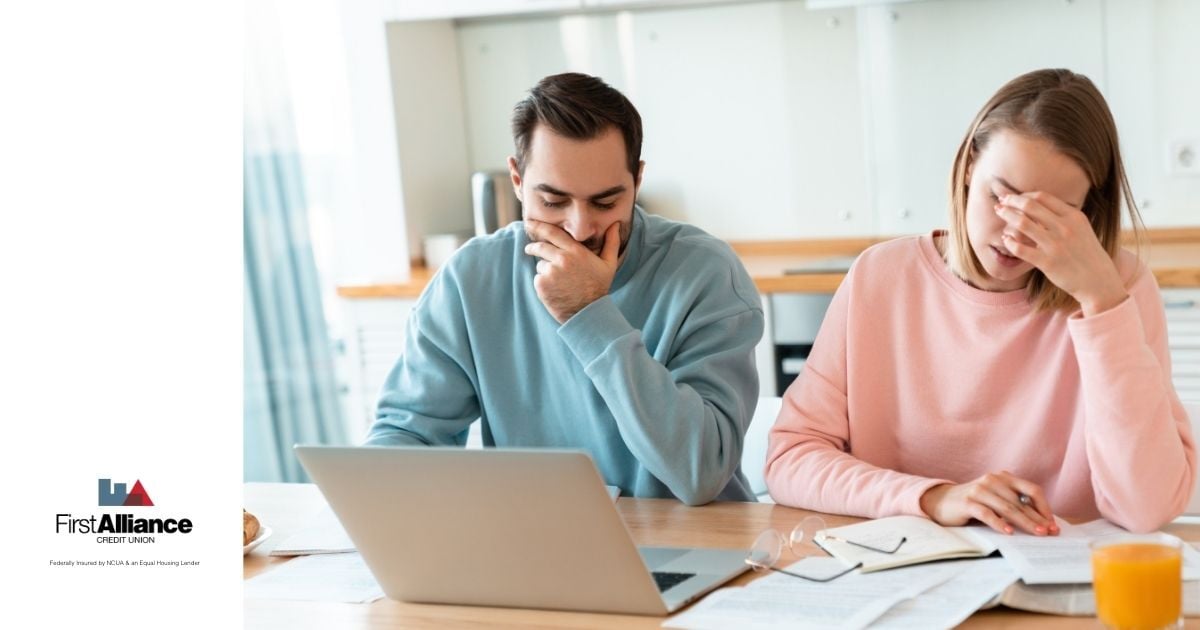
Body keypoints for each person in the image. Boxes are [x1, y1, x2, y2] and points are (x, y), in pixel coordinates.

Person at [764, 68, 1195, 533]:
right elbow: (791, 457)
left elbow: (1147, 507)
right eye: (1003, 198)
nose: (1015, 237)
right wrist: (932, 497)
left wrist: (1102, 302)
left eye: (1053, 217)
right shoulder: (880, 277)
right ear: (970, 166)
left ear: (1088, 212)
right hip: (907, 571)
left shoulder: (1120, 287)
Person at [366, 72, 764, 505]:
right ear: (517, 179)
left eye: (606, 202)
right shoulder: (471, 279)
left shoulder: (705, 274)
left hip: (693, 547)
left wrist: (588, 313)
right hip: (534, 546)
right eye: (553, 202)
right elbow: (408, 434)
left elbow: (699, 473)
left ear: (637, 182)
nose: (580, 227)